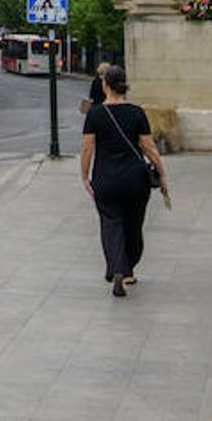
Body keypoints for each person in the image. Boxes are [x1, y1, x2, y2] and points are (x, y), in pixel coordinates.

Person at [78, 65, 169, 297]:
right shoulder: (136, 113)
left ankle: (117, 267)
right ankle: (128, 270)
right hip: (135, 179)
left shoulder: (95, 114)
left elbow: (87, 148)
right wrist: (162, 174)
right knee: (133, 225)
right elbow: (149, 148)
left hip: (105, 179)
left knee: (110, 223)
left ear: (105, 85)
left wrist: (84, 176)